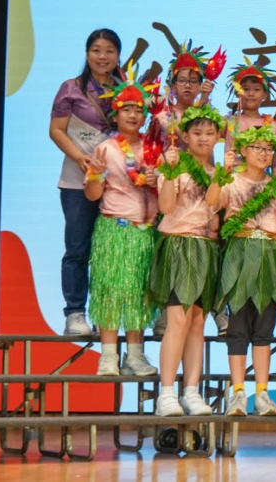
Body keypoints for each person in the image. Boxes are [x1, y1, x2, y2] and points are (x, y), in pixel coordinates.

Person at [208, 124, 276, 417]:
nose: (264, 153)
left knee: (264, 328)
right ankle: (238, 393)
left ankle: (262, 393)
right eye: (257, 147)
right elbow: (212, 203)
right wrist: (221, 173)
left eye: (269, 149)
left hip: (269, 255)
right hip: (239, 253)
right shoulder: (231, 181)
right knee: (238, 326)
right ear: (243, 150)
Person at [151, 104, 227, 417]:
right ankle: (166, 393)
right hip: (179, 245)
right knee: (178, 320)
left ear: (218, 137)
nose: (204, 138)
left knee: (198, 323)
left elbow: (214, 211)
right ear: (184, 136)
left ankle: (192, 392)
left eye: (210, 133)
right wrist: (169, 173)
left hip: (207, 248)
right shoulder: (175, 166)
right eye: (197, 133)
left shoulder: (219, 173)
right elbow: (166, 207)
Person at [83, 67, 160, 377]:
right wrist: (95, 173)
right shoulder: (105, 149)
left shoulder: (155, 149)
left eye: (138, 110)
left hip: (146, 232)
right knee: (111, 292)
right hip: (115, 229)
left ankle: (136, 356)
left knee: (140, 294)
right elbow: (93, 195)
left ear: (144, 116)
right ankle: (108, 356)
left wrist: (157, 181)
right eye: (126, 109)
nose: (132, 115)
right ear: (115, 115)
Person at [50, 29, 123, 336]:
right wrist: (79, 157)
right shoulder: (71, 88)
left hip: (118, 185)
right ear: (87, 53)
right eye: (96, 50)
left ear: (118, 55)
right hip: (76, 181)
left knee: (109, 252)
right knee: (78, 248)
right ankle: (75, 313)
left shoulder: (126, 90)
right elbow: (56, 130)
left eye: (109, 51)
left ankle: (104, 316)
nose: (102, 56)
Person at [225, 59, 276, 174]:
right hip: (233, 179)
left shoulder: (272, 125)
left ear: (265, 95)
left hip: (261, 180)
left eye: (256, 89)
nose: (251, 94)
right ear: (237, 92)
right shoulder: (230, 121)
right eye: (246, 89)